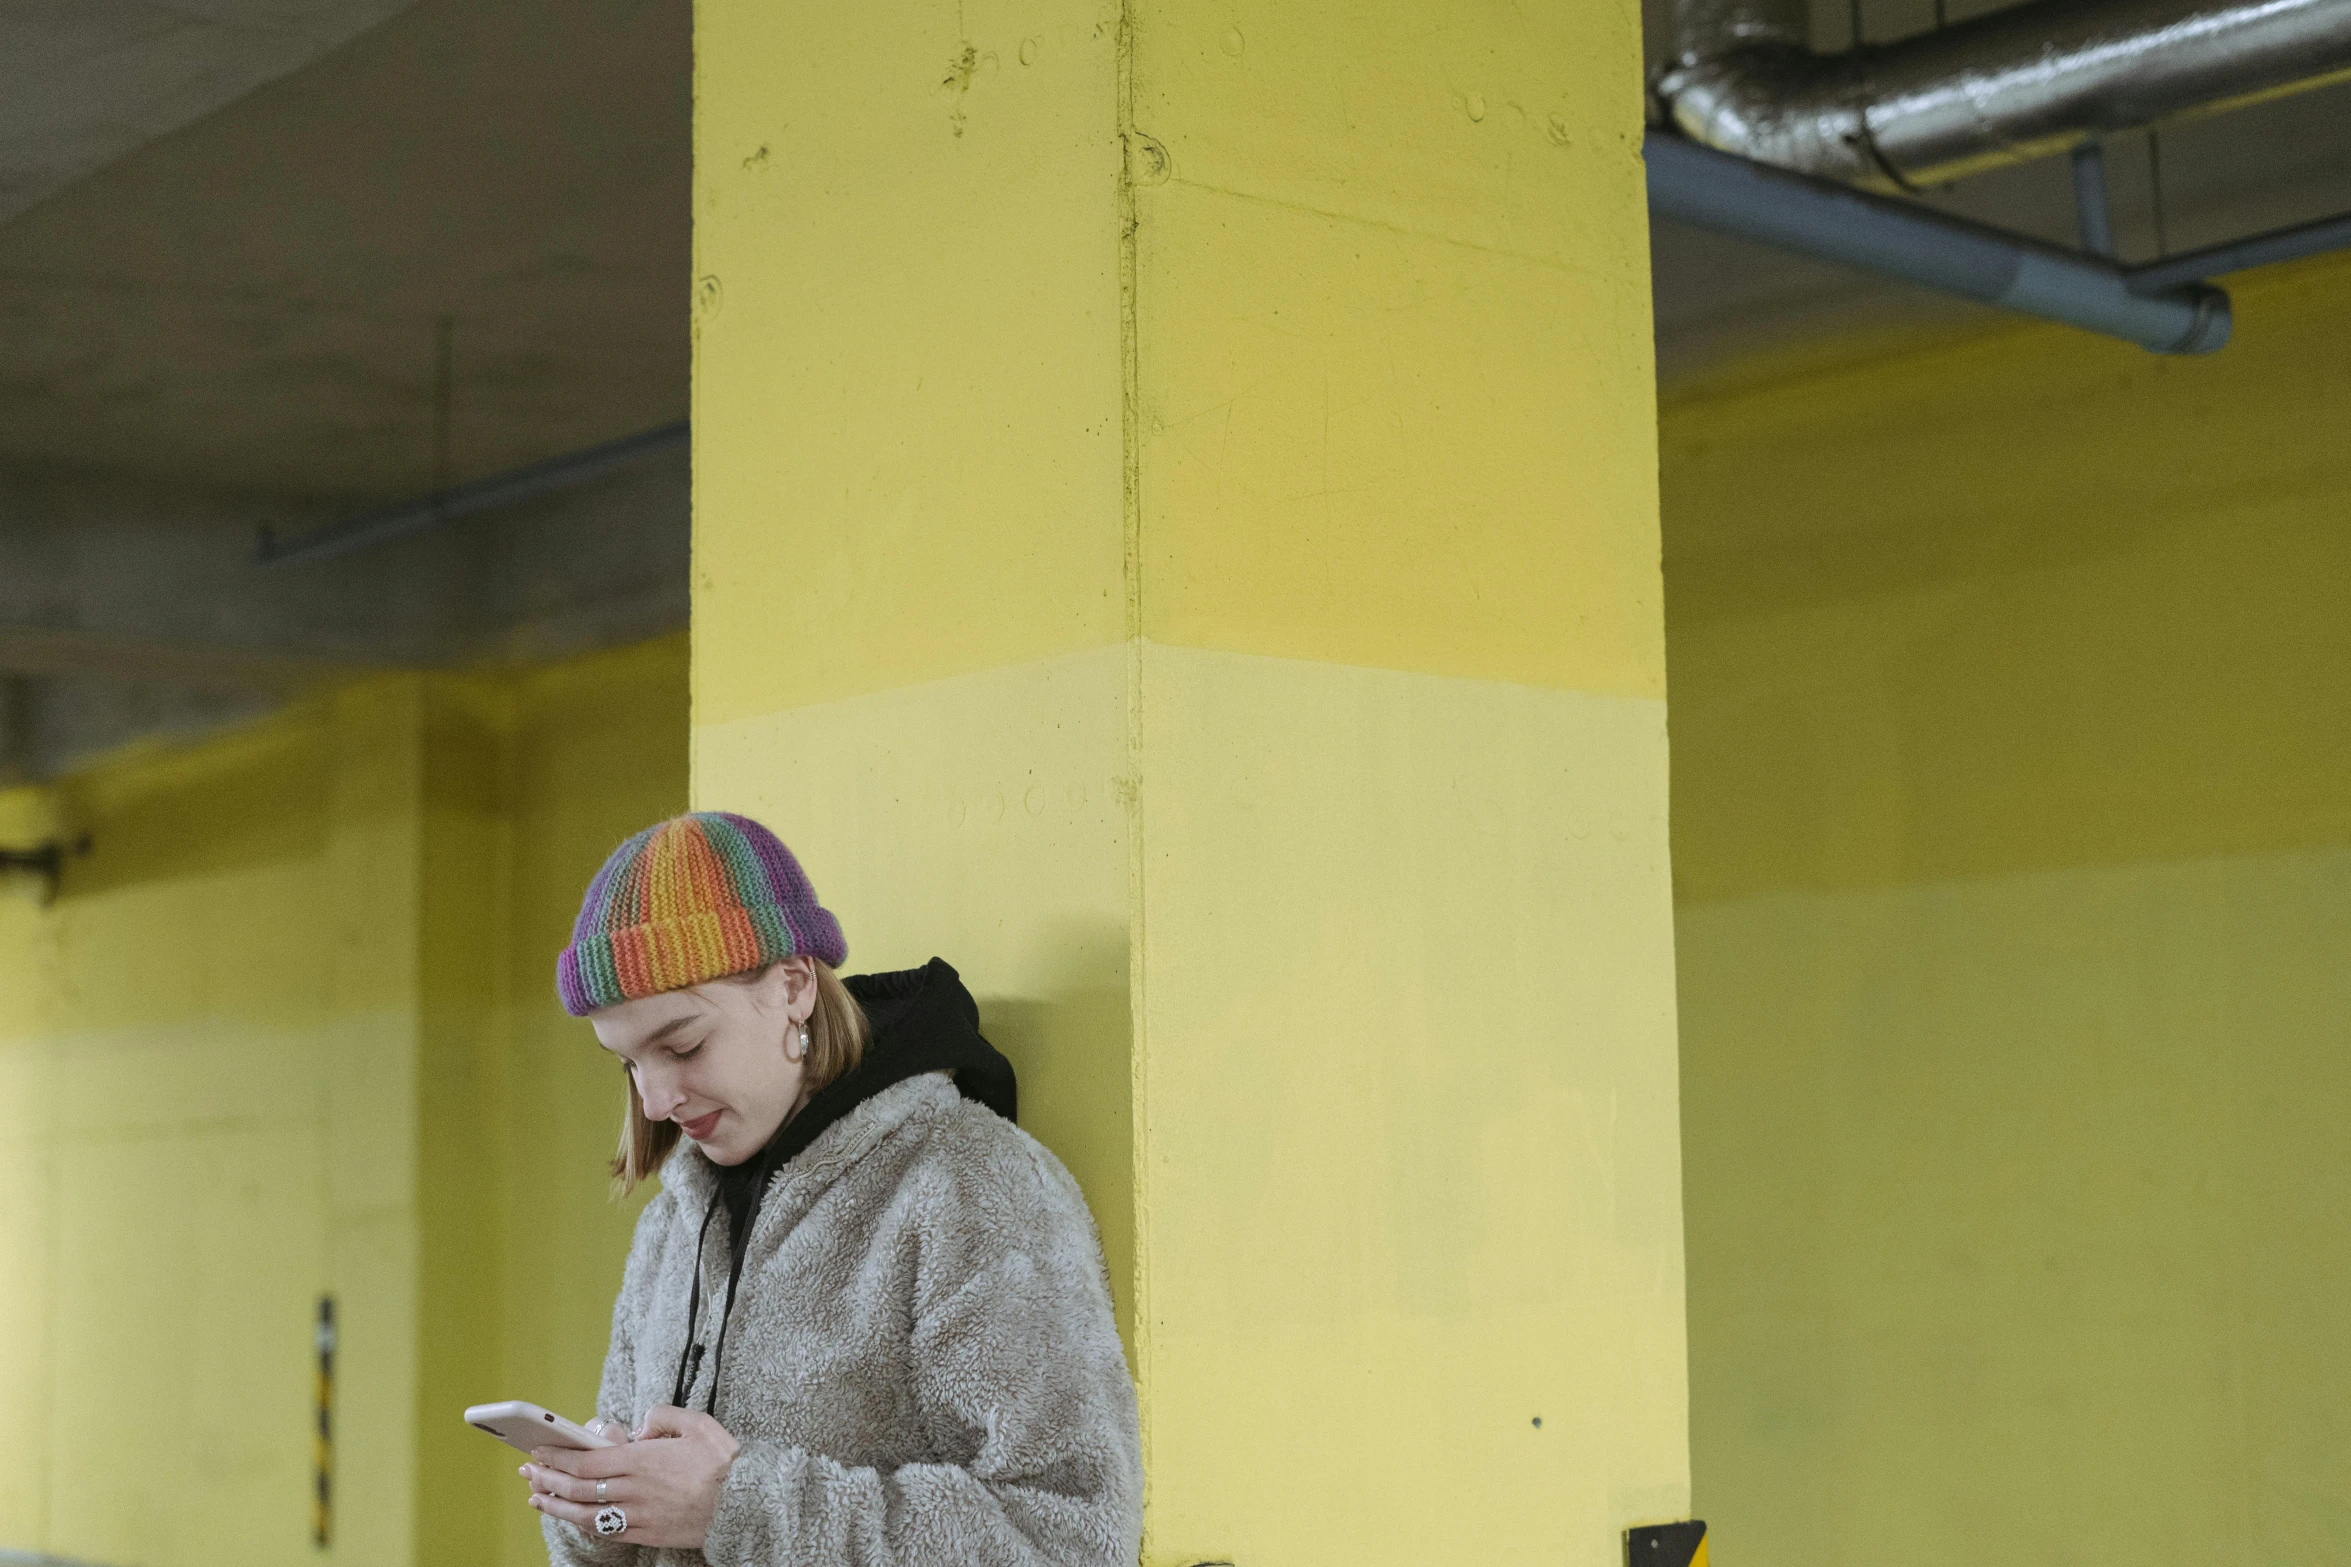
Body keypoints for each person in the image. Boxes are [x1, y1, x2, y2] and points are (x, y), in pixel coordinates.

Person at [520, 811, 1142, 1565]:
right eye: (627, 1063)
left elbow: (1071, 1535)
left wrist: (733, 1505)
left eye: (682, 1044)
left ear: (792, 986)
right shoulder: (671, 1228)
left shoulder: (966, 1184)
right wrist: (600, 1513)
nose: (653, 1101)